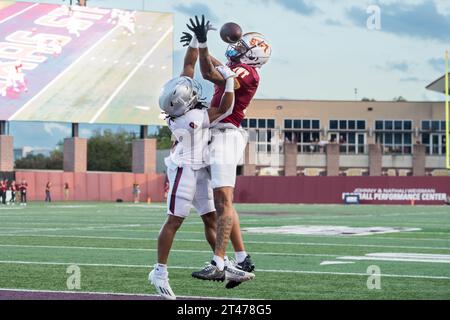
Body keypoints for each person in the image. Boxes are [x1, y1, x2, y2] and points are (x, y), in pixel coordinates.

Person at [148, 32, 253, 300]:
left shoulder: (180, 111)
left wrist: (196, 41)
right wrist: (229, 79)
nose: (195, 92)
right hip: (185, 169)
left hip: (199, 167)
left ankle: (224, 260)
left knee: (211, 217)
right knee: (174, 220)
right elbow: (228, 108)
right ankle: (159, 271)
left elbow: (188, 66)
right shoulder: (193, 118)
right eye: (191, 93)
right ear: (184, 102)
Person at [186, 15, 271, 288]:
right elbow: (205, 68)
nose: (237, 49)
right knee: (217, 205)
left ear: (254, 57)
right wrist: (198, 44)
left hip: (225, 135)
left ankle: (219, 262)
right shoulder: (236, 67)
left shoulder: (248, 73)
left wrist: (202, 44)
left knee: (223, 200)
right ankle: (242, 258)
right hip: (211, 134)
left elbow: (210, 72)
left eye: (244, 49)